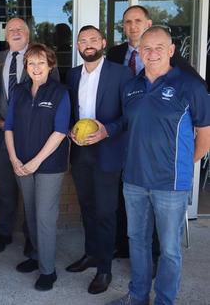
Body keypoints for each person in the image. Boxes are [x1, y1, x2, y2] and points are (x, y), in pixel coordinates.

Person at [107, 26, 210, 305]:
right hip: (134, 181)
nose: (152, 54)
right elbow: (128, 124)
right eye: (146, 48)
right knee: (137, 242)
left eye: (158, 48)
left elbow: (205, 135)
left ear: (171, 51)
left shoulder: (190, 86)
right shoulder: (131, 87)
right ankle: (138, 296)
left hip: (170, 184)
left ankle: (165, 301)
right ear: (139, 52)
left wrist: (182, 166)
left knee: (170, 249)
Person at [65, 25, 133, 294]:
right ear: (78, 46)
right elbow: (69, 109)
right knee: (87, 207)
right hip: (81, 151)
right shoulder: (71, 75)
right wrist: (70, 128)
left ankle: (104, 269)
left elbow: (129, 115)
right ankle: (91, 253)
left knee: (106, 212)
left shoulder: (121, 73)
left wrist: (107, 130)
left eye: (93, 39)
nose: (88, 44)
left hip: (108, 152)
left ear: (103, 42)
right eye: (83, 40)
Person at [4, 43, 70, 291]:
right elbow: (8, 126)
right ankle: (35, 256)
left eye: (41, 62)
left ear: (50, 65)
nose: (36, 67)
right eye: (31, 63)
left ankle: (48, 270)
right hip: (21, 163)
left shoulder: (60, 92)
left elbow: (60, 131)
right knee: (30, 212)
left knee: (44, 216)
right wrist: (13, 158)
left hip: (49, 165)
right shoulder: (19, 91)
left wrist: (35, 161)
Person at [0, 18, 58, 254]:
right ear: (5, 36)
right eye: (11, 30)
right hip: (2, 134)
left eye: (20, 29)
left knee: (34, 193)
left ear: (28, 34)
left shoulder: (43, 59)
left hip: (34, 138)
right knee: (5, 186)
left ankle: (32, 237)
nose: (15, 32)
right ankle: (4, 232)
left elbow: (54, 95)